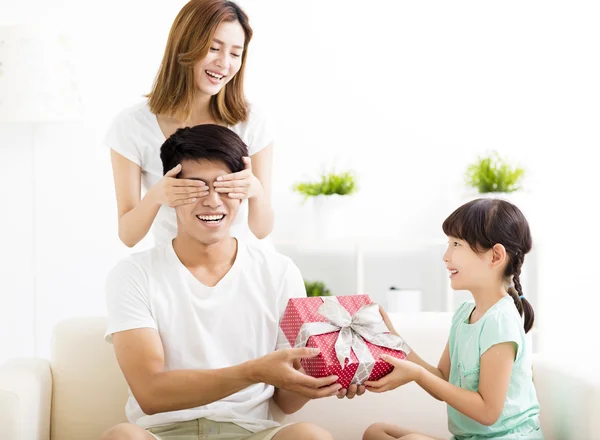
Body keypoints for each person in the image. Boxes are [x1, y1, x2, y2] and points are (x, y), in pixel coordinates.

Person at [100, 124, 360, 440]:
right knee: (122, 437)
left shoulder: (279, 272)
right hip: (162, 433)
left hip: (252, 433)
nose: (212, 201)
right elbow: (151, 394)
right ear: (169, 192)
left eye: (226, 187)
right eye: (195, 188)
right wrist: (252, 372)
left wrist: (319, 378)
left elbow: (285, 401)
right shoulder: (134, 274)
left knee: (311, 436)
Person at [363, 198, 543, 440]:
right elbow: (442, 381)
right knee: (376, 432)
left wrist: (416, 374)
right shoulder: (464, 314)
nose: (446, 256)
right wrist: (395, 341)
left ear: (495, 256)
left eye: (456, 244)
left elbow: (488, 412)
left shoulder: (500, 321)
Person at [105, 0, 275, 249]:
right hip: (174, 270)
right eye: (214, 48)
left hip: (242, 268)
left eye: (235, 53)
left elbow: (262, 230)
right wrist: (157, 195)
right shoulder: (132, 126)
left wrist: (256, 191)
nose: (224, 63)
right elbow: (128, 236)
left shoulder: (251, 121)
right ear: (185, 46)